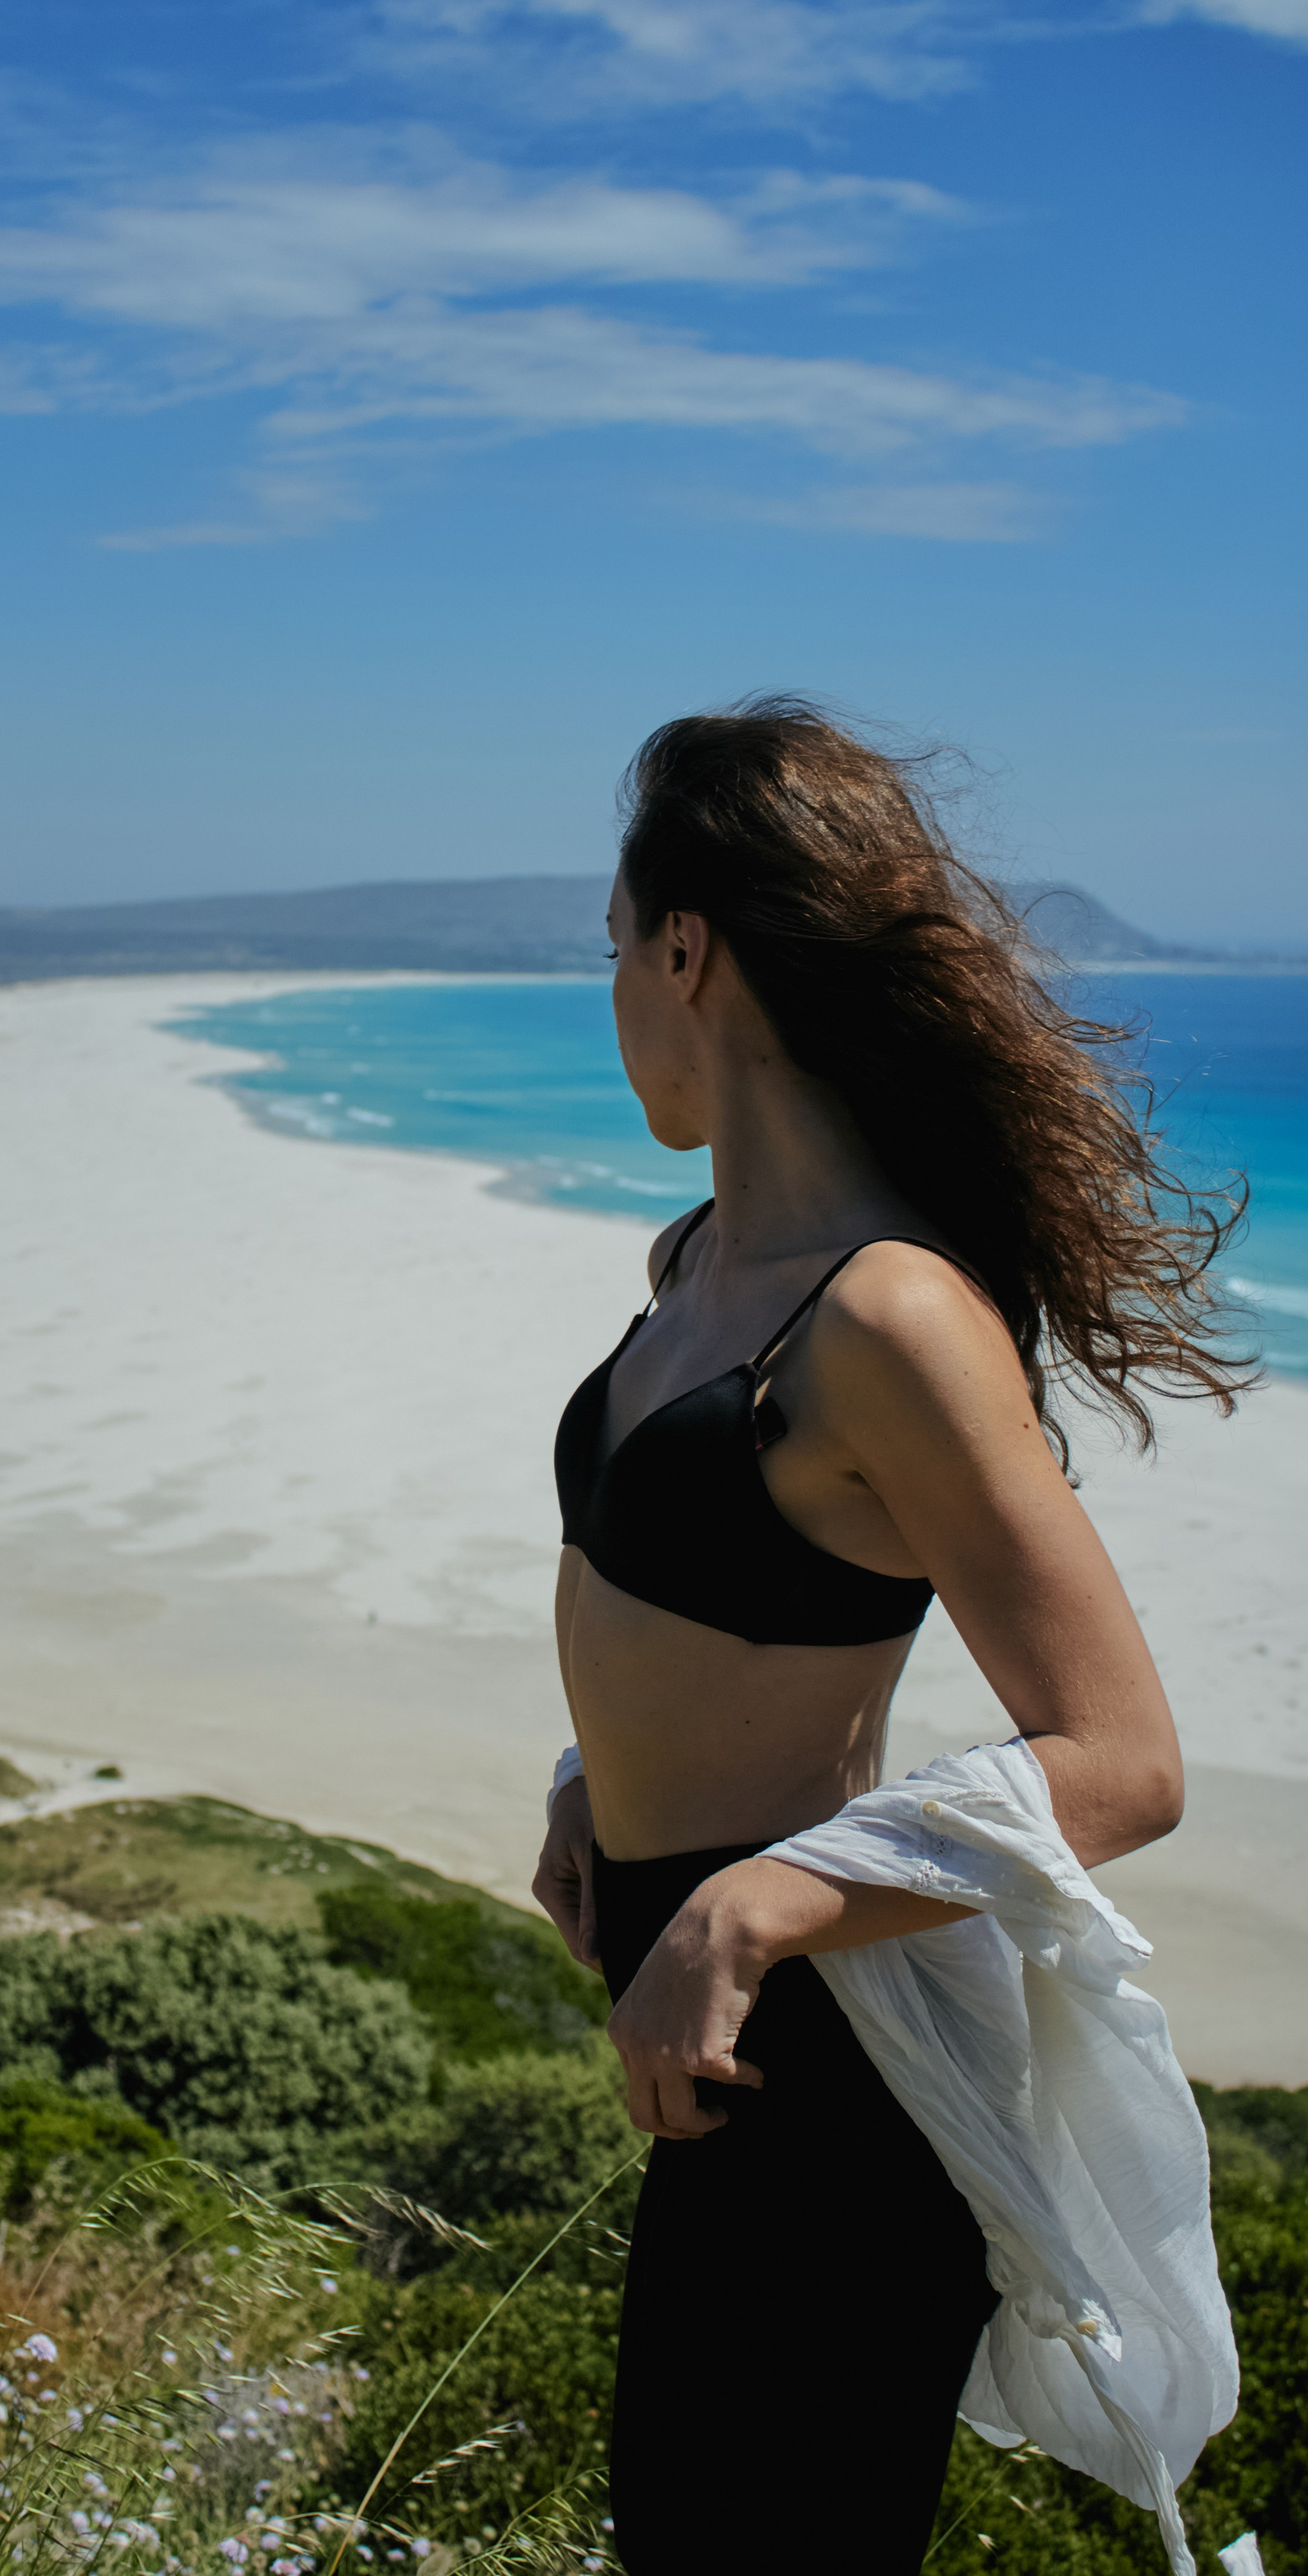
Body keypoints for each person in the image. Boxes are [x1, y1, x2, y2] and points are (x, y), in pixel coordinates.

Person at [531, 699, 1249, 2574]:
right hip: (715, 2057)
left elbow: (1123, 1758)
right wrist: (590, 1792)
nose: (612, 994)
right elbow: (703, 1610)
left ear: (686, 946)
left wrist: (740, 1905)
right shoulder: (700, 1271)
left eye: (616, 947)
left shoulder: (895, 1316)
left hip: (831, 2085)